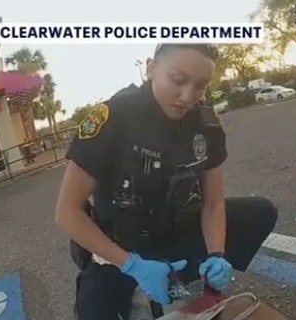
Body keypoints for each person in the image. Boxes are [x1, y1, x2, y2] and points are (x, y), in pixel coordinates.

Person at [54, 43, 278, 320]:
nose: (188, 96)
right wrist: (132, 265)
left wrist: (217, 254)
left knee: (260, 212)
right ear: (151, 68)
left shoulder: (205, 124)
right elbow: (67, 213)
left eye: (201, 85)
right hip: (119, 247)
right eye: (178, 79)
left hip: (175, 231)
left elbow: (213, 203)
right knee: (96, 309)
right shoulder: (113, 118)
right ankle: (143, 280)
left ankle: (190, 274)